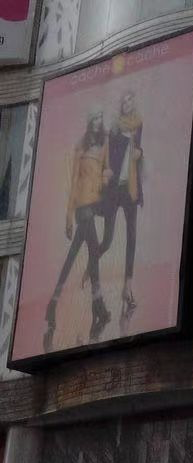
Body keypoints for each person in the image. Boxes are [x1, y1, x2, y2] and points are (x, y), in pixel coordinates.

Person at [46, 107, 111, 351]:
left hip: (96, 204)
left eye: (99, 117)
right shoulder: (80, 146)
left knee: (75, 254)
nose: (97, 121)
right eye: (94, 117)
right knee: (91, 253)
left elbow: (107, 170)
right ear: (89, 121)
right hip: (83, 206)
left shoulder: (104, 143)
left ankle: (53, 303)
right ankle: (98, 306)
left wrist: (105, 177)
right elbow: (74, 180)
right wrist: (68, 216)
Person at [99, 90, 144, 328]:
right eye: (124, 100)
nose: (128, 103)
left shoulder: (138, 124)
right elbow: (110, 157)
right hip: (115, 190)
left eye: (130, 100)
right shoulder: (115, 128)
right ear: (121, 105)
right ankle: (93, 262)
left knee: (132, 235)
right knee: (107, 239)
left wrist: (140, 152)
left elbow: (139, 150)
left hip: (131, 188)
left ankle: (128, 285)